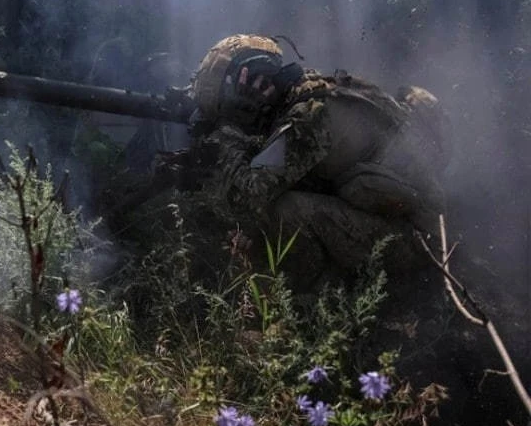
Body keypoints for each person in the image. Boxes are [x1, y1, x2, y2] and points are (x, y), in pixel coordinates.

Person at [186, 34, 451, 278]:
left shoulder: (308, 116)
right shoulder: (313, 91)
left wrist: (227, 132)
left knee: (286, 210)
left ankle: (313, 297)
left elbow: (251, 197)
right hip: (411, 222)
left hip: (421, 241)